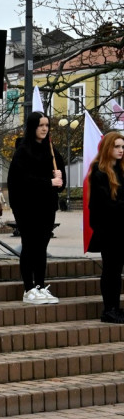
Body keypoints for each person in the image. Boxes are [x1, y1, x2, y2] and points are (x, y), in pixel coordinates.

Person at [8, 113, 65, 305]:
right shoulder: (23, 151)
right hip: (27, 207)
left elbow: (60, 183)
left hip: (46, 206)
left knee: (42, 246)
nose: (44, 128)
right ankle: (28, 288)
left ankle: (40, 286)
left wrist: (60, 176)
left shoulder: (51, 150)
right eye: (40, 125)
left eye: (47, 125)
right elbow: (21, 181)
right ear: (32, 127)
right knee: (30, 245)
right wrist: (49, 181)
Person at [86, 131, 124, 323]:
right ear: (108, 148)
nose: (120, 150)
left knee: (117, 272)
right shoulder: (99, 172)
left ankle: (116, 308)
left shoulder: (121, 169)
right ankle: (109, 309)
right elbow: (102, 205)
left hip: (121, 229)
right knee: (111, 270)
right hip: (109, 230)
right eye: (116, 146)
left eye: (122, 147)